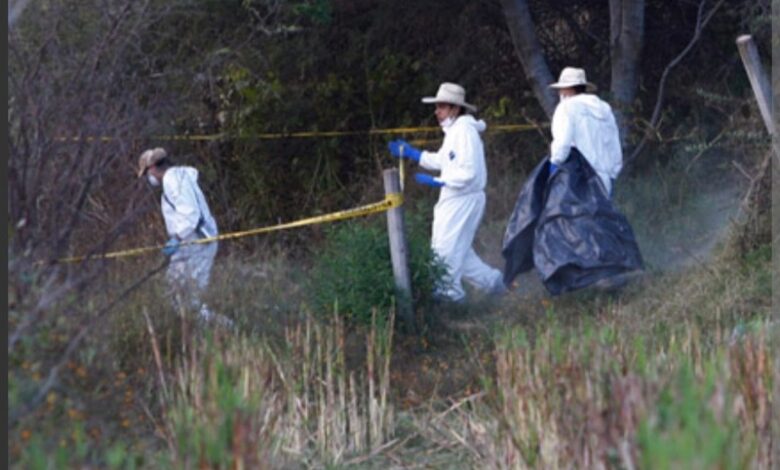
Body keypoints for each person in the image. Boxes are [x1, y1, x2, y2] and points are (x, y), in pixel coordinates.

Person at [388, 82, 506, 303]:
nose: (437, 112)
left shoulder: (464, 132)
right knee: (460, 252)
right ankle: (494, 283)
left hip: (462, 198)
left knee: (444, 253)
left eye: (441, 107)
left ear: (454, 108)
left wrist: (438, 181)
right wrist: (414, 154)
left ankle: (450, 299)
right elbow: (444, 160)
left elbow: (468, 172)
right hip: (459, 198)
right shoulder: (456, 132)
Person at [137, 147, 228, 325]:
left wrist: (177, 239)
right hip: (190, 242)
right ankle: (188, 329)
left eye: (147, 173)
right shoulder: (179, 177)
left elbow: (190, 212)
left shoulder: (173, 180)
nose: (148, 179)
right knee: (173, 289)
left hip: (198, 242)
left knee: (191, 298)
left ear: (153, 167)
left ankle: (221, 329)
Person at [548, 67, 623, 196]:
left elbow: (562, 145)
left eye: (561, 89)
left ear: (569, 89)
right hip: (604, 180)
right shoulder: (604, 108)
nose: (560, 92)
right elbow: (614, 145)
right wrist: (613, 174)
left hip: (577, 179)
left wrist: (553, 168)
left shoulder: (566, 108)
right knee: (601, 215)